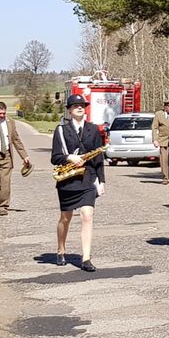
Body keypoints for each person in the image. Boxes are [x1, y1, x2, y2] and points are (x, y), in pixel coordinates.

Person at [50, 95, 106, 271]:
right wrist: (69, 157)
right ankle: (61, 250)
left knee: (87, 215)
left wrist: (101, 180)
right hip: (68, 180)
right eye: (75, 106)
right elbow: (55, 157)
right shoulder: (61, 130)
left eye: (82, 105)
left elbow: (98, 157)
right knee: (65, 219)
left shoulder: (93, 129)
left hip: (88, 178)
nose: (80, 108)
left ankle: (86, 258)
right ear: (69, 110)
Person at [151, 100, 169, 184]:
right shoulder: (159, 115)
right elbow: (154, 127)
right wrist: (155, 139)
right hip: (163, 140)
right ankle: (165, 177)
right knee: (164, 160)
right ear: (165, 107)